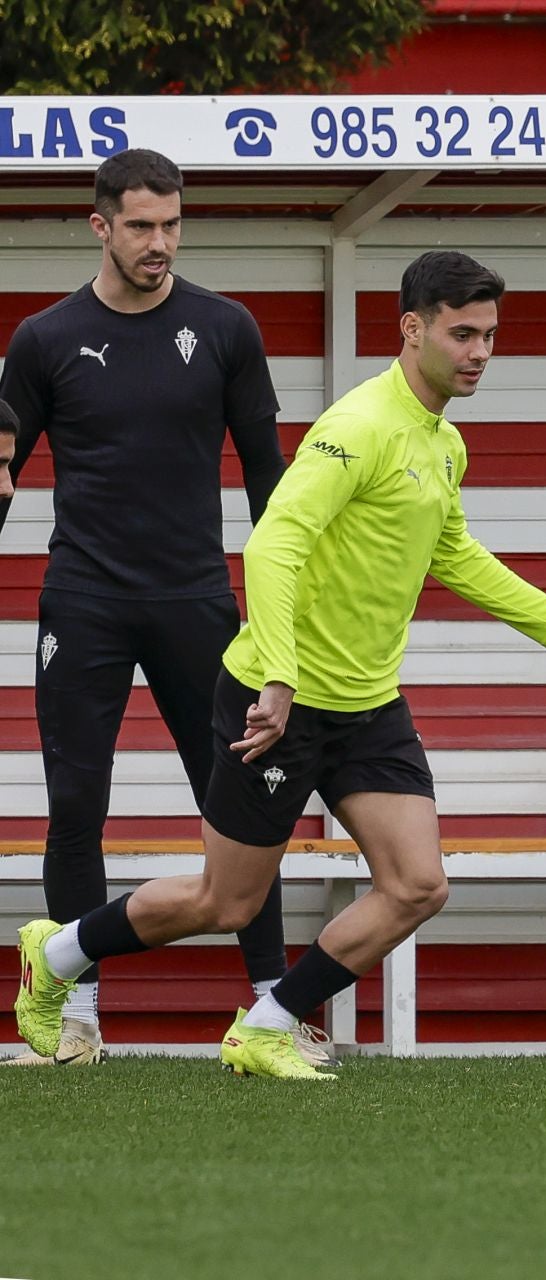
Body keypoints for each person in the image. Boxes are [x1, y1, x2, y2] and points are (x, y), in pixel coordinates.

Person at [13, 251, 546, 1080]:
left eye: (490, 337)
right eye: (463, 333)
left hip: (368, 704)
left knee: (417, 885)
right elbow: (275, 544)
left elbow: (454, 552)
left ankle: (267, 1024)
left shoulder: (443, 444)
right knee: (225, 901)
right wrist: (282, 677)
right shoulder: (358, 427)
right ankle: (57, 957)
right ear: (412, 329)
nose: (479, 352)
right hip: (280, 699)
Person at [0, 149, 295, 1067]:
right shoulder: (43, 339)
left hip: (199, 604)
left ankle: (273, 1013)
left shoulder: (225, 329)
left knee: (241, 806)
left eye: (171, 224)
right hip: (83, 601)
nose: (159, 242)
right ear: (100, 226)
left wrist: (282, 612)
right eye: (140, 226)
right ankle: (75, 1015)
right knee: (75, 804)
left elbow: (269, 482)